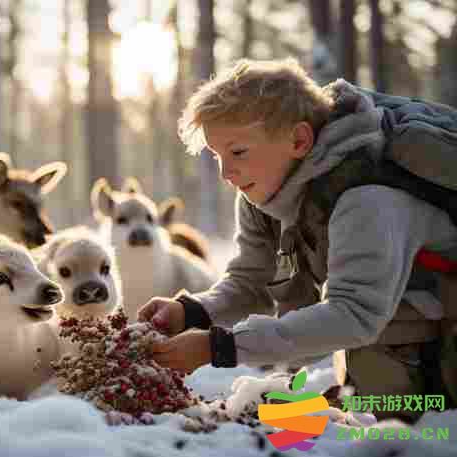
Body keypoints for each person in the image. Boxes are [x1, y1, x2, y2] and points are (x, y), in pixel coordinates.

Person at [138, 58, 457, 422]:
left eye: (238, 151)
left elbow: (353, 315)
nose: (226, 173)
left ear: (299, 140)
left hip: (437, 360)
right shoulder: (264, 190)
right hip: (385, 358)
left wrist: (220, 347)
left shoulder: (368, 198)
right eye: (217, 156)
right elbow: (250, 282)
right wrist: (192, 311)